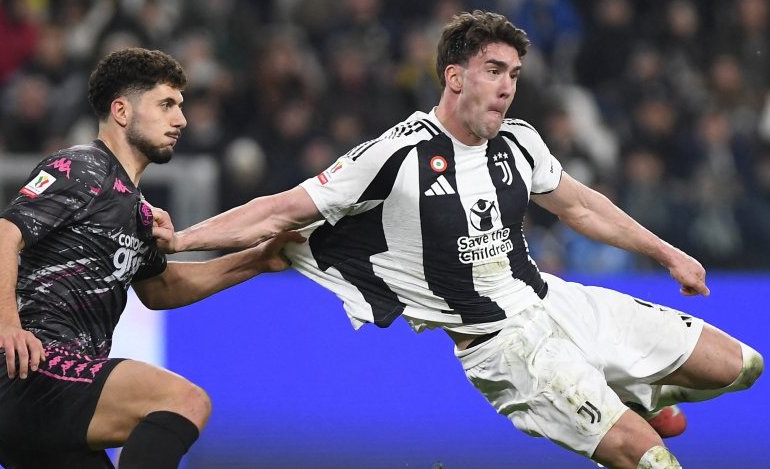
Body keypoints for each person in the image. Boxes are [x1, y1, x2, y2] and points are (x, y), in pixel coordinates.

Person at [154, 11, 763, 469]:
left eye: (514, 74)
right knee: (651, 459)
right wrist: (181, 240)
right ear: (454, 77)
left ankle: (632, 395)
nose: (507, 87)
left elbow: (580, 206)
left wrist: (668, 253)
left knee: (742, 367)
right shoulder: (397, 155)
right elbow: (279, 210)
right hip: (505, 349)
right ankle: (626, 407)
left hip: (556, 301)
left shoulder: (520, 141)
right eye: (494, 71)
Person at [0, 48, 300, 469]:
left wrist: (255, 260)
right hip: (37, 373)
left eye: (180, 106)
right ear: (122, 111)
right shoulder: (82, 168)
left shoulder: (135, 208)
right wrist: (6, 326)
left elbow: (162, 288)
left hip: (49, 402)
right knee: (184, 400)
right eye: (166, 104)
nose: (181, 120)